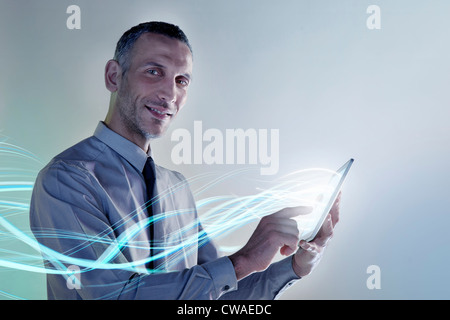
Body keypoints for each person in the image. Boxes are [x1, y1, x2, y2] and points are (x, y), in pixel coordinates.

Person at [29, 21, 340, 300]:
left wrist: (296, 267)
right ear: (114, 76)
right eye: (154, 72)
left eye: (181, 81)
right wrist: (243, 259)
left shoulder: (176, 188)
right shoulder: (67, 179)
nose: (169, 93)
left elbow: (216, 298)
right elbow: (112, 296)